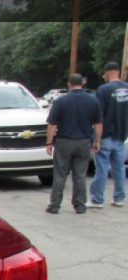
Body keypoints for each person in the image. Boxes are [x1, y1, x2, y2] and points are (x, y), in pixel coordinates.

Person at [45, 73, 103, 214]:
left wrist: (49, 142)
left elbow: (52, 124)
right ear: (82, 84)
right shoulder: (93, 101)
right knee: (80, 175)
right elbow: (99, 124)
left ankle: (55, 205)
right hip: (83, 142)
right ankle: (80, 205)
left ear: (69, 84)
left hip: (64, 141)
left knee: (60, 174)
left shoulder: (61, 101)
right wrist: (97, 141)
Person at [88, 61, 128, 208]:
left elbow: (98, 116)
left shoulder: (103, 90)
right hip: (121, 134)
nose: (103, 76)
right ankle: (119, 198)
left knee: (102, 167)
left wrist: (96, 139)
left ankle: (97, 199)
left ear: (109, 72)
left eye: (104, 73)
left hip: (105, 135)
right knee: (119, 167)